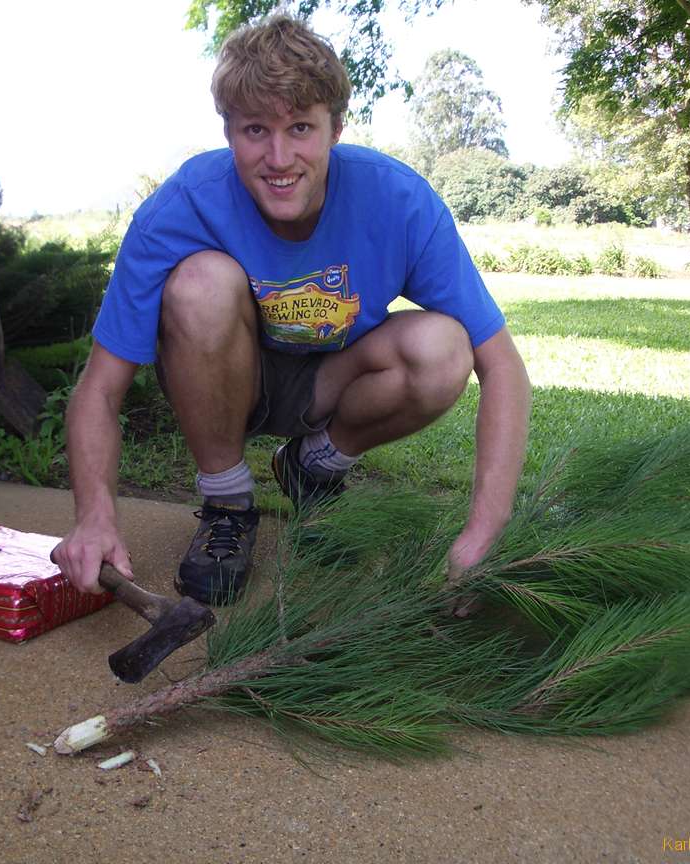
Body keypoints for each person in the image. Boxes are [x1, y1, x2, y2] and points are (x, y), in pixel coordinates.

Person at [51, 14, 531, 611]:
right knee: (200, 283)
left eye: (300, 127)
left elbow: (502, 366)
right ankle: (227, 502)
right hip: (221, 376)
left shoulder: (399, 201)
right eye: (256, 129)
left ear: (335, 128)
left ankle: (313, 465)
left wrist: (483, 532)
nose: (279, 158)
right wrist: (93, 517)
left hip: (330, 379)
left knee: (445, 347)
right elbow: (99, 389)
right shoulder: (178, 208)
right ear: (228, 132)